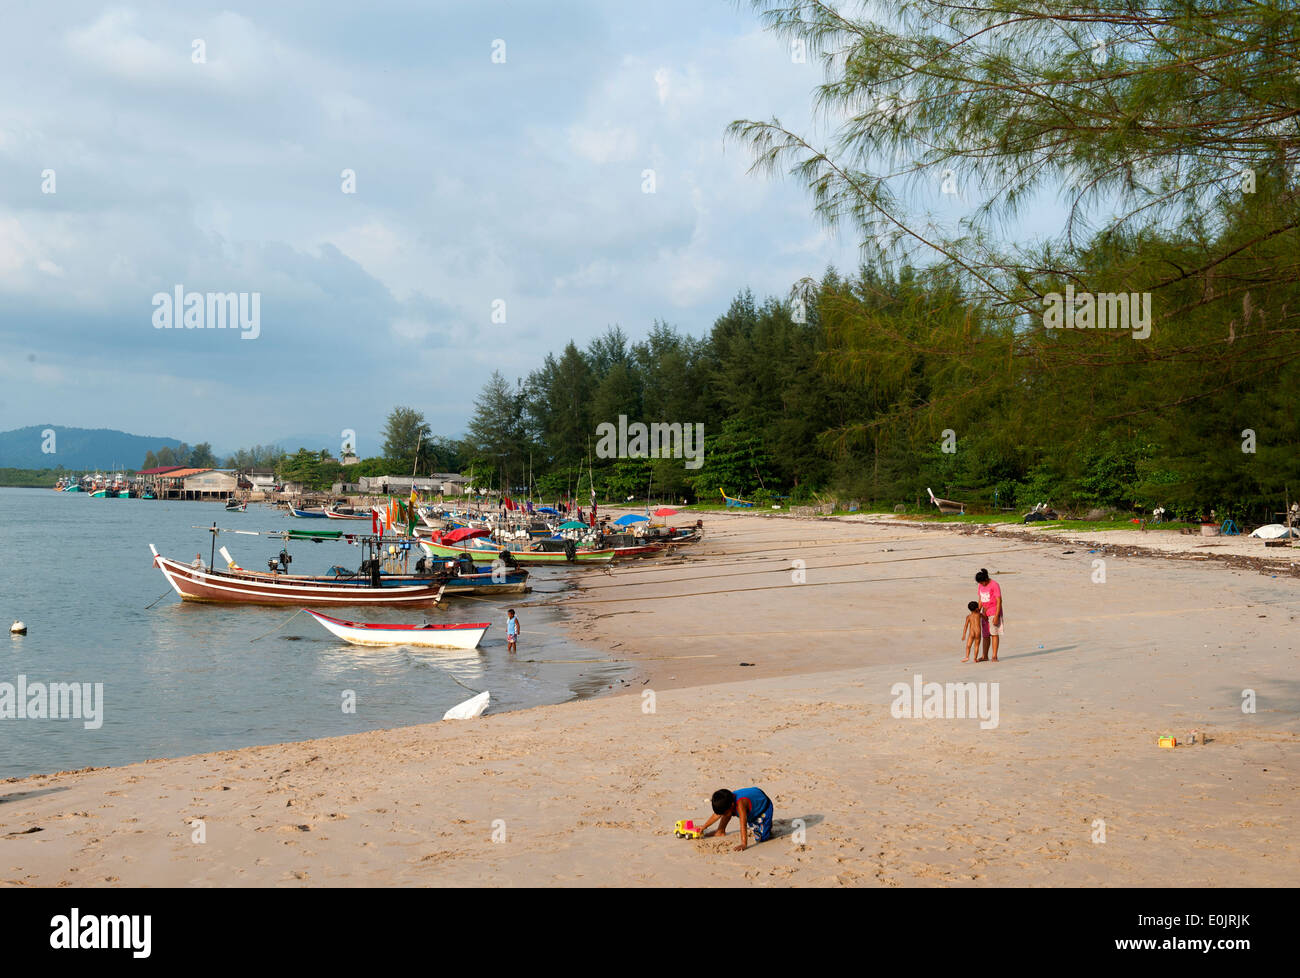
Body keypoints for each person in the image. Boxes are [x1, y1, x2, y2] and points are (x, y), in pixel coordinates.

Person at [697, 787, 774, 851]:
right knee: (727, 813)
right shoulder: (727, 799)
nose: (722, 815)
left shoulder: (740, 804)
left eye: (722, 814)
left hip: (763, 808)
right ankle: (720, 831)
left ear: (732, 805)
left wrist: (744, 843)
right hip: (752, 803)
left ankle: (767, 826)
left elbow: (743, 824)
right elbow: (717, 815)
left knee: (762, 838)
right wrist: (704, 826)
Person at [974, 568, 1003, 662]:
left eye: (982, 582)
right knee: (985, 635)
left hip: (994, 611)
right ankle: (985, 656)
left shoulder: (995, 585)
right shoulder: (980, 585)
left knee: (994, 633)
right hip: (984, 612)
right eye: (980, 583)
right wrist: (977, 612)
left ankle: (994, 656)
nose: (981, 584)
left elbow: (999, 601)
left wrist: (996, 616)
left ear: (986, 579)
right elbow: (980, 599)